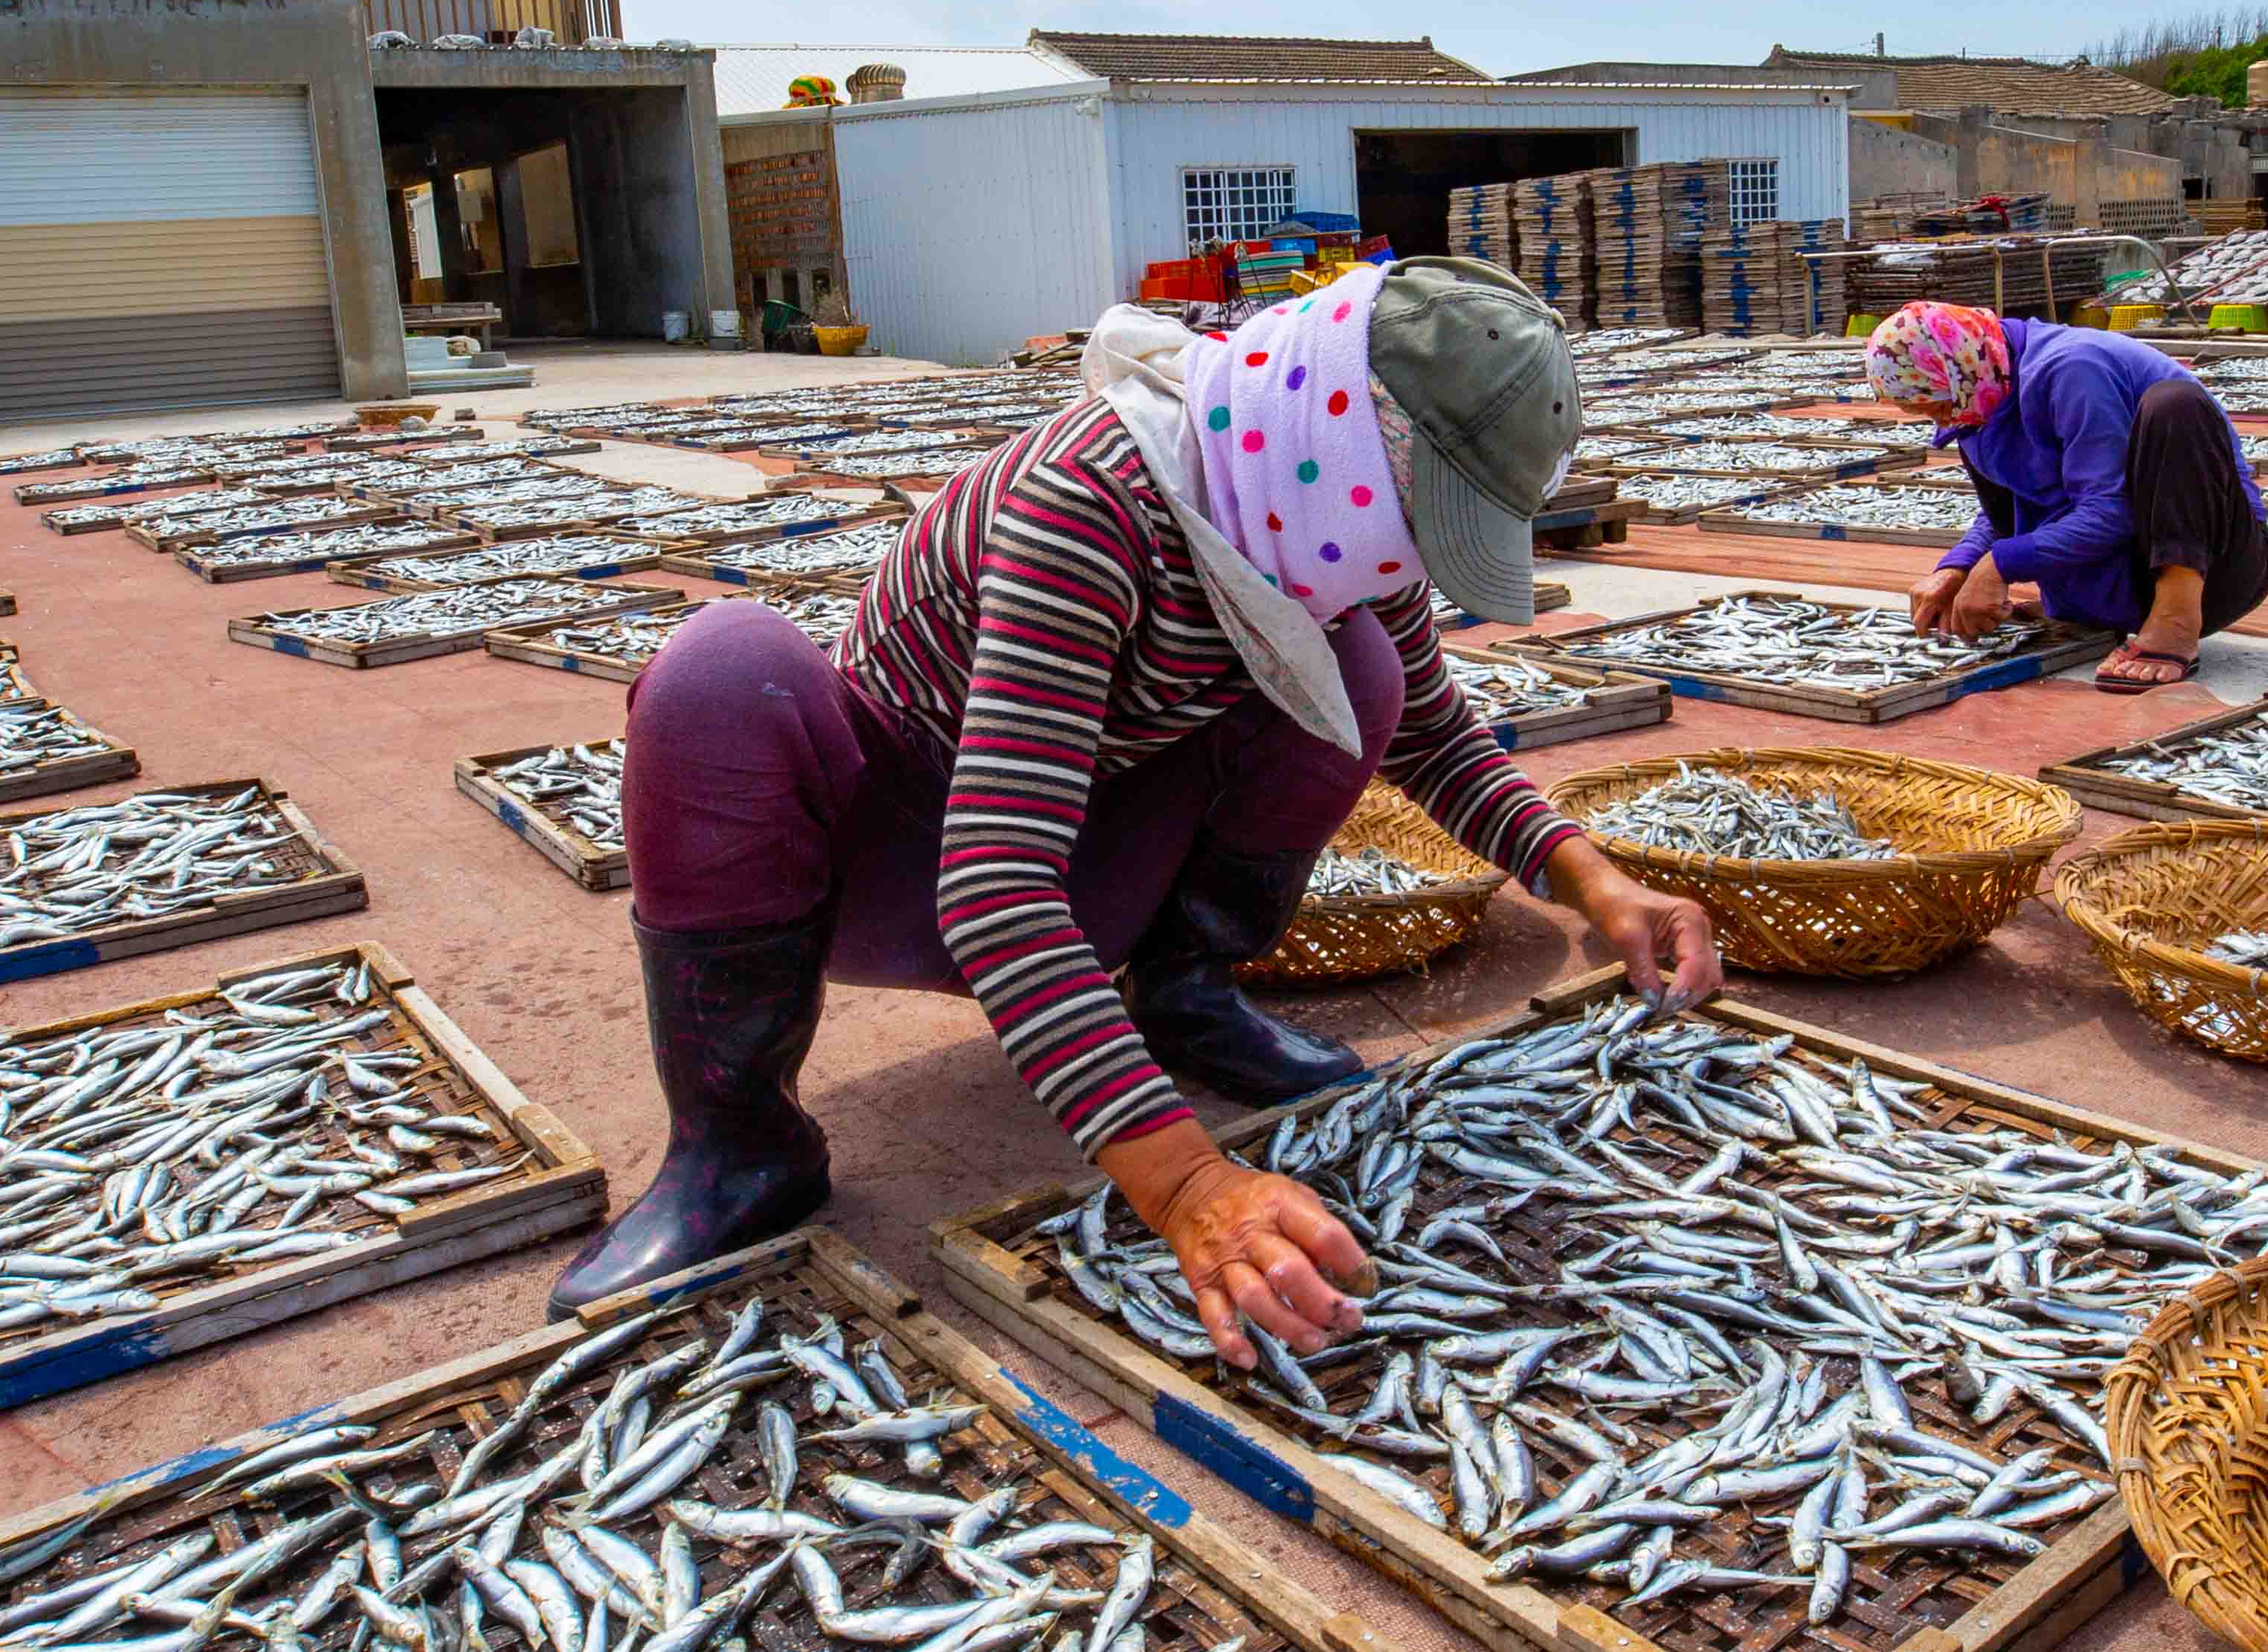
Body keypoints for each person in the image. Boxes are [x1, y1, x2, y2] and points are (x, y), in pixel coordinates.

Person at [559, 256, 1724, 1368]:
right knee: (722, 671)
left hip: (1085, 854)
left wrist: (1595, 882)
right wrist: (1184, 1186)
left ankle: (1186, 1000)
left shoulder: (1315, 524)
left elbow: (1431, 729)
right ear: (1348, 449)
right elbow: (994, 886)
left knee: (1360, 672)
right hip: (901, 862)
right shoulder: (1094, 503)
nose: (1414, 564)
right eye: (1423, 527)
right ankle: (738, 1144)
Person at [1866, 301, 2268, 693]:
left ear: (1957, 368)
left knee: (2176, 405)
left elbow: (2112, 510)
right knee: (1973, 438)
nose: (1938, 418)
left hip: (2215, 568)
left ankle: (2175, 621)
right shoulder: (1980, 394)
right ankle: (2092, 609)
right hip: (2118, 580)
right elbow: (2006, 509)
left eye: (1934, 404)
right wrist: (1957, 567)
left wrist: (2000, 566)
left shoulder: (2073, 367)